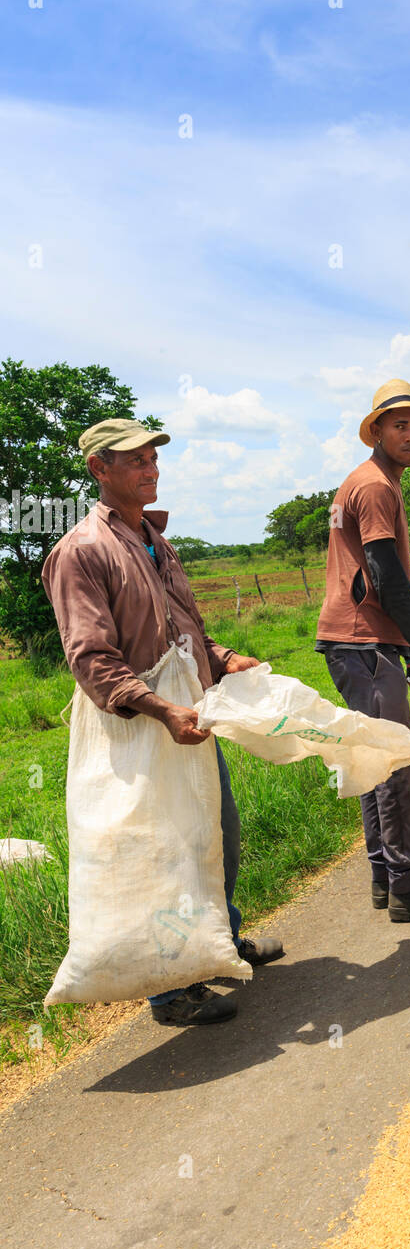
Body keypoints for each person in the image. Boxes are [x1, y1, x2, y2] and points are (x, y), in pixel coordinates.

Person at [42, 418, 281, 1028]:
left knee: (212, 833)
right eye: (136, 460)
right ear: (100, 470)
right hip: (136, 726)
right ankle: (169, 989)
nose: (152, 468)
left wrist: (223, 661)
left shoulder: (156, 538)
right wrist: (160, 709)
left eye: (153, 457)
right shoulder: (81, 551)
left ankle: (218, 944)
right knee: (159, 850)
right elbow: (91, 660)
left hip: (187, 715)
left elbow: (186, 634)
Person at [315, 379, 410, 921]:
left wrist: (407, 648)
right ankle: (408, 889)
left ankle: (387, 878)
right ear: (375, 431)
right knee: (396, 762)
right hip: (362, 641)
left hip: (359, 639)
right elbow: (385, 576)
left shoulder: (364, 482)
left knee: (372, 759)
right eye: (398, 426)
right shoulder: (376, 486)